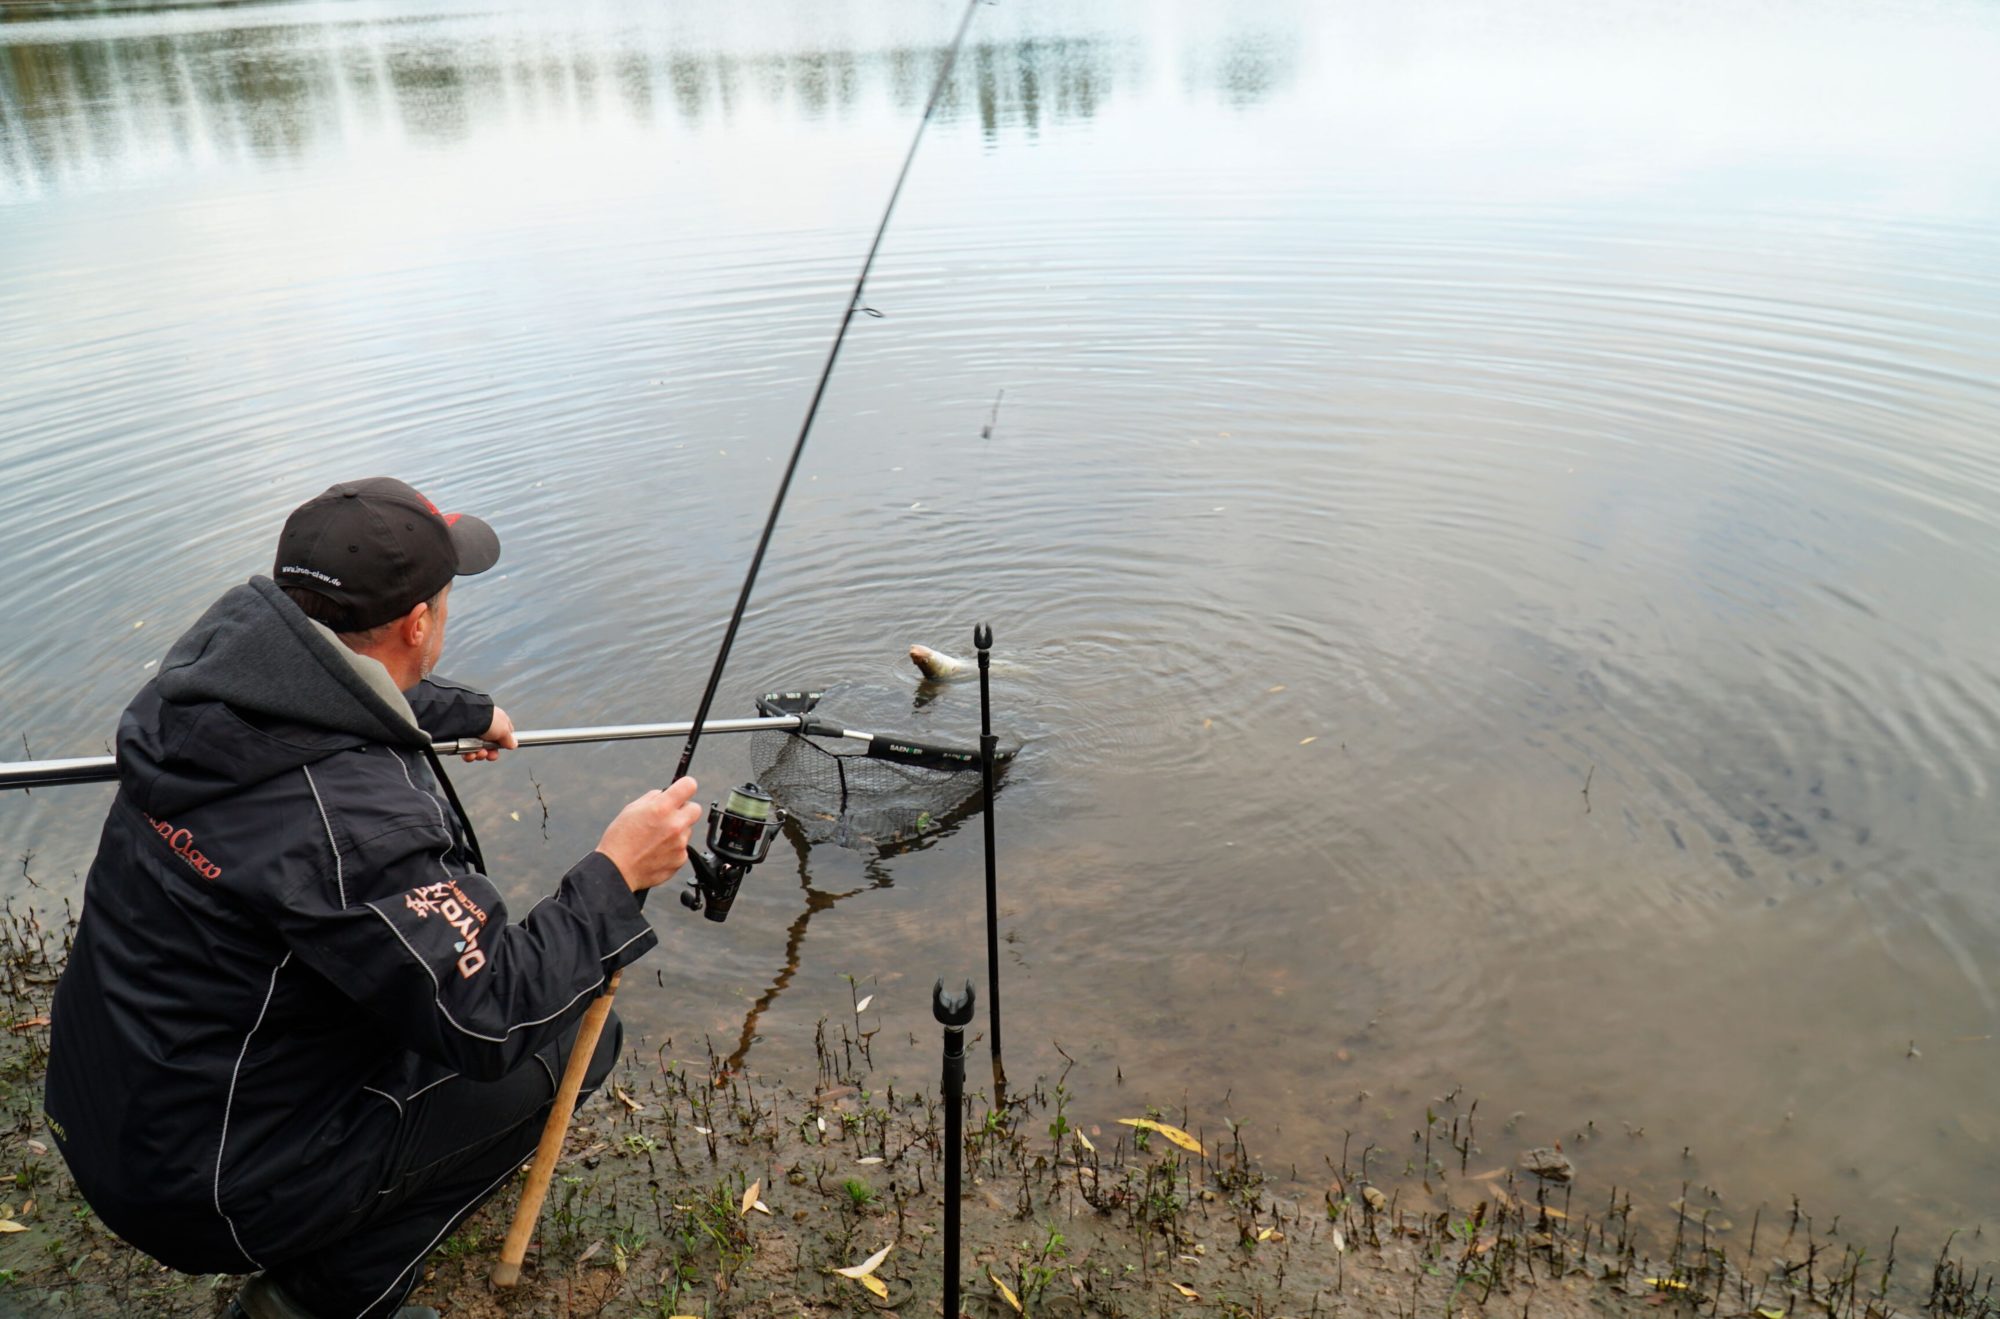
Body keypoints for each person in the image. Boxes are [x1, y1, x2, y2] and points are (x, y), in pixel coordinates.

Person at [43, 478, 703, 1319]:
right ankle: (318, 1300)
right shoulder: (354, 822)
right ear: (418, 622)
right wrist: (618, 870)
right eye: (444, 596)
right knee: (572, 1038)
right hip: (200, 1188)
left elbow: (319, 688)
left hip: (100, 1115)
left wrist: (460, 708)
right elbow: (492, 1015)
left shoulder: (194, 687)